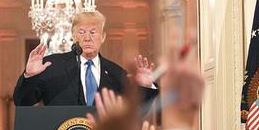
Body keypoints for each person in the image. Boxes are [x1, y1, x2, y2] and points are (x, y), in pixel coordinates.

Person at [13, 11, 158, 106]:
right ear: (74, 37)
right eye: (81, 32)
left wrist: (145, 87)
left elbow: (137, 111)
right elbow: (22, 102)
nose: (87, 38)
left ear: (103, 37)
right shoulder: (51, 65)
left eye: (93, 32)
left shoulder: (116, 73)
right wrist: (29, 76)